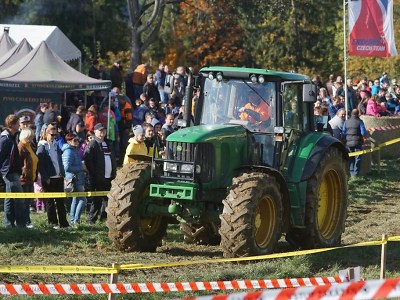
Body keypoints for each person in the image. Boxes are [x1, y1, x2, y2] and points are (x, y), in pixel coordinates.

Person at [36, 124, 71, 229]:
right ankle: (53, 223)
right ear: (46, 133)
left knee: (61, 202)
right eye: (51, 134)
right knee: (50, 202)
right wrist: (45, 177)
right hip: (48, 179)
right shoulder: (42, 147)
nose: (53, 137)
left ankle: (64, 224)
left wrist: (63, 174)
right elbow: (40, 164)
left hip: (59, 177)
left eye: (55, 135)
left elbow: (59, 161)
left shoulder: (56, 145)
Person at [84, 123, 116, 224]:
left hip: (109, 176)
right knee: (96, 200)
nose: (102, 133)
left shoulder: (108, 143)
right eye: (100, 130)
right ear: (95, 132)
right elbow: (88, 162)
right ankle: (91, 220)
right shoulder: (92, 144)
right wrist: (94, 175)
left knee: (108, 199)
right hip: (98, 177)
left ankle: (104, 218)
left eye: (104, 130)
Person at [0, 115, 25, 228]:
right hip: (8, 172)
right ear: (12, 124)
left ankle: (12, 223)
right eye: (18, 123)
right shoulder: (5, 139)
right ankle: (15, 224)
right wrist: (4, 173)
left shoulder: (12, 137)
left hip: (13, 172)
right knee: (15, 198)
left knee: (11, 198)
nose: (19, 125)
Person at [62, 133, 87, 226]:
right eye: (74, 140)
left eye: (78, 140)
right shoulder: (68, 152)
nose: (77, 142)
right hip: (73, 179)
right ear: (69, 141)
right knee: (83, 200)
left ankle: (74, 220)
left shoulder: (74, 150)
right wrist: (81, 167)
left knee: (75, 199)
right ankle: (76, 219)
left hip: (78, 178)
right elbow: (66, 168)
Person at [18, 127, 38, 228]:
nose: (31, 139)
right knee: (24, 203)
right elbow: (18, 164)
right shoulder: (20, 147)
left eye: (32, 137)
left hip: (31, 179)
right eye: (29, 137)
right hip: (24, 180)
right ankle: (24, 222)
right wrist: (22, 175)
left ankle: (27, 221)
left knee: (28, 202)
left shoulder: (30, 146)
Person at [342, 109, 367, 177]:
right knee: (358, 158)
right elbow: (363, 133)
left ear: (351, 114)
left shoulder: (346, 122)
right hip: (357, 142)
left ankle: (351, 172)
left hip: (349, 142)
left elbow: (343, 132)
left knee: (351, 158)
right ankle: (355, 174)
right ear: (358, 114)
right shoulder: (360, 122)